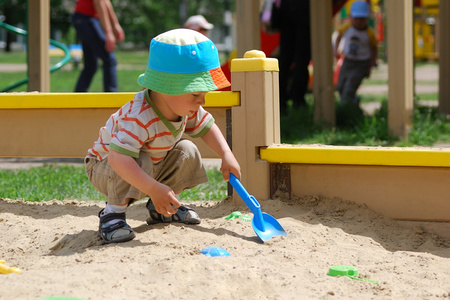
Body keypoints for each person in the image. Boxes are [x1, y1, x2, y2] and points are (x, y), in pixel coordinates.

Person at [85, 28, 241, 244]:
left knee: (187, 150)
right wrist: (152, 188)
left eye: (205, 95)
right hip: (105, 167)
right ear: (166, 87)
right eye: (196, 93)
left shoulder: (185, 108)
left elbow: (207, 127)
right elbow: (117, 158)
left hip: (145, 166)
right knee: (139, 159)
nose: (202, 102)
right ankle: (112, 215)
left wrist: (226, 154)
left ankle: (163, 207)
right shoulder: (139, 116)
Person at [71, 0, 124, 92]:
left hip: (83, 18)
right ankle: (111, 99)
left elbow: (105, 2)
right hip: (85, 18)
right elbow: (98, 2)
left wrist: (115, 24)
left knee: (91, 65)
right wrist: (108, 32)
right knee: (109, 59)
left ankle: (77, 99)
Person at [334, 1, 378, 106]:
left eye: (362, 19)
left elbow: (374, 49)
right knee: (340, 86)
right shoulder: (347, 27)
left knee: (349, 87)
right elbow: (338, 36)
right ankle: (353, 102)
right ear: (351, 17)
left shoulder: (369, 33)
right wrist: (335, 50)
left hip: (361, 64)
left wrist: (370, 67)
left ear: (367, 18)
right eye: (356, 18)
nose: (359, 21)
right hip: (348, 61)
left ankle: (345, 109)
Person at [274, 0, 311, 113]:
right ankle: (298, 100)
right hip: (304, 10)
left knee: (284, 59)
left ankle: (280, 101)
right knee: (301, 60)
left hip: (285, 10)